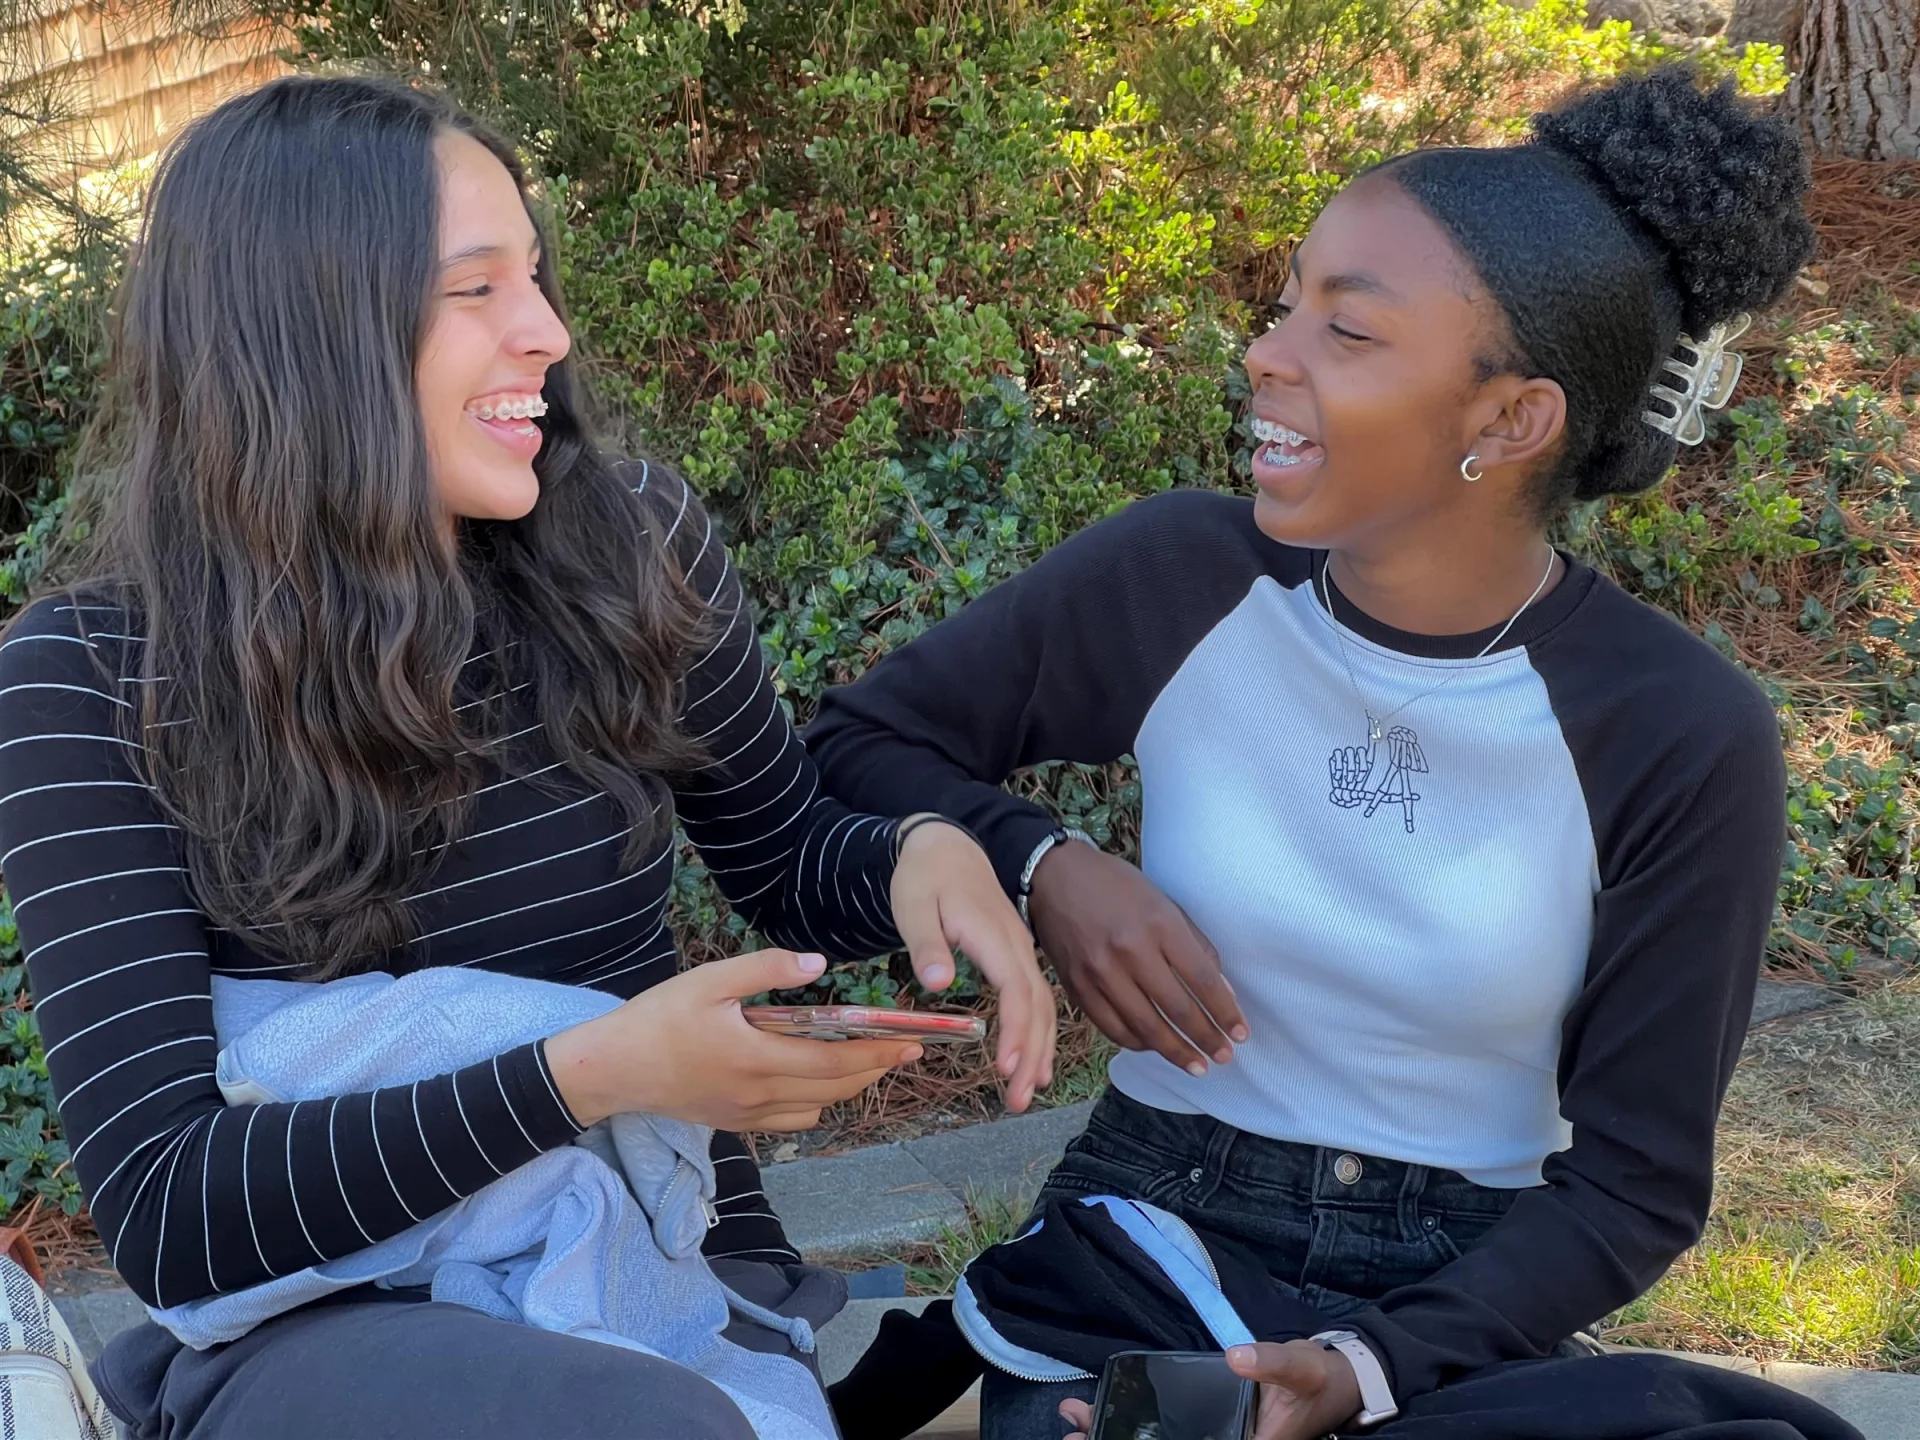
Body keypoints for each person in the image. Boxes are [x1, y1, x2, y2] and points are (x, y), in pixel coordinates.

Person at [0, 76, 1056, 1440]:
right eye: (475, 290)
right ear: (308, 332)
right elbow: (169, 1215)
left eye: (538, 277)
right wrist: (595, 1073)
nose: (546, 333)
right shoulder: (90, 676)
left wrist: (926, 856)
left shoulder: (627, 544)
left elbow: (785, 858)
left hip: (669, 1275)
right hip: (332, 1331)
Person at [808, 67, 1814, 1440]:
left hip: (1469, 1291)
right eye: (1286, 308)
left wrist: (1372, 1367)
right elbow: (862, 741)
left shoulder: (1677, 732)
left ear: (1509, 420)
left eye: (1344, 331)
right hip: (1146, 1238)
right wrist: (1044, 867)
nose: (1267, 356)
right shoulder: (1180, 579)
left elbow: (1636, 1186)